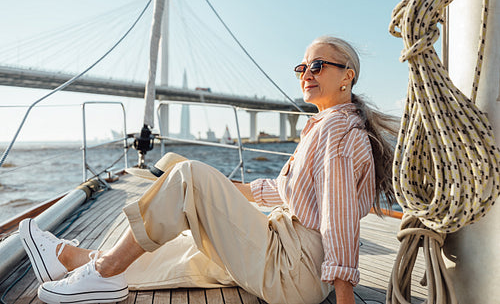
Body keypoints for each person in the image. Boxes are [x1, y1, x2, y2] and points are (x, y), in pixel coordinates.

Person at [19, 35, 397, 304]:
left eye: (318, 65)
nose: (306, 73)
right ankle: (71, 260)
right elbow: (288, 191)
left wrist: (345, 296)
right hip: (295, 262)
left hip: (296, 267)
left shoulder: (338, 129)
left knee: (189, 176)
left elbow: (339, 217)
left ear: (348, 76)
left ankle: (102, 270)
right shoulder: (329, 126)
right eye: (302, 66)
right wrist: (223, 188)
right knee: (189, 251)